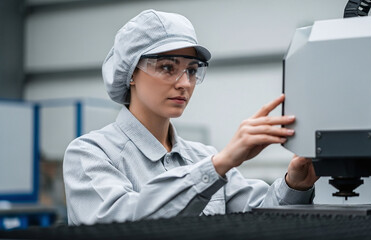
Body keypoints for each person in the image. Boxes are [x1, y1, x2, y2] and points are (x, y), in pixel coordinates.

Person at [63, 9, 319, 226]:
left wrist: (295, 185)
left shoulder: (201, 157)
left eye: (192, 70)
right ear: (130, 72)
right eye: (167, 67)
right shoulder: (90, 154)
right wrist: (217, 165)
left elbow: (260, 218)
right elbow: (118, 223)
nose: (184, 83)